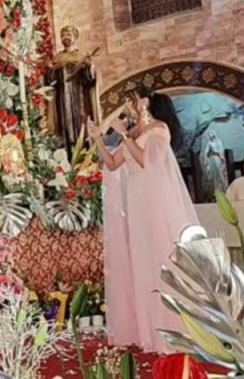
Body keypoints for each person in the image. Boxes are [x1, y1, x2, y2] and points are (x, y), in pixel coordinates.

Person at [88, 89, 198, 353]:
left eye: (133, 100)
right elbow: (114, 164)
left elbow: (146, 161)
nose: (129, 106)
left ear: (147, 103)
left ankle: (171, 327)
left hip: (154, 201)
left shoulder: (158, 129)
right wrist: (99, 140)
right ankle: (146, 328)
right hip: (136, 203)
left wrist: (123, 134)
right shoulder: (136, 134)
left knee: (160, 257)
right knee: (142, 259)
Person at [48, 25, 98, 152]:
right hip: (62, 99)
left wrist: (88, 67)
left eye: (68, 35)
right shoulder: (57, 58)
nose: (66, 38)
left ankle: (82, 153)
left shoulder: (80, 57)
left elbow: (89, 81)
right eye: (63, 35)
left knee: (80, 124)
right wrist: (53, 71)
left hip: (78, 97)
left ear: (75, 37)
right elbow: (52, 81)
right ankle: (67, 153)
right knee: (65, 125)